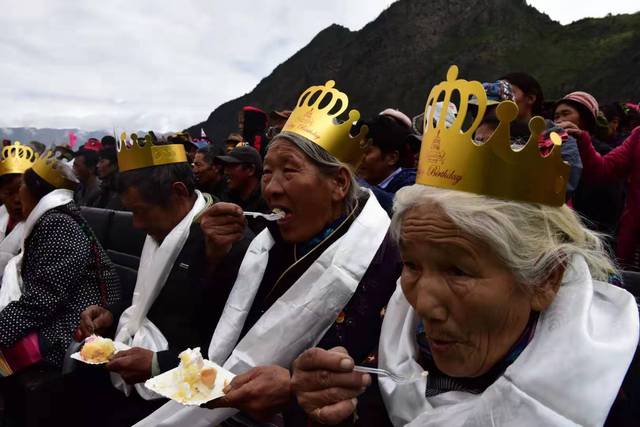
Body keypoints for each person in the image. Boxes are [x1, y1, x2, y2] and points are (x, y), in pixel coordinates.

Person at [291, 66, 639, 427]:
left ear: (545, 279)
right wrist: (337, 411)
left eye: (458, 270)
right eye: (411, 265)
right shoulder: (386, 357)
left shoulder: (621, 388)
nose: (422, 305)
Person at [137, 80, 401, 427]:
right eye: (267, 173)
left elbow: (396, 385)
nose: (272, 188)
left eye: (289, 171)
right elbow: (215, 337)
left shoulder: (387, 263)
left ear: (338, 183)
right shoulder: (263, 244)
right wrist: (215, 255)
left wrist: (294, 390)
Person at [73, 135, 252, 426]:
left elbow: (227, 347)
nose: (136, 224)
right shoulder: (161, 229)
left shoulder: (225, 241)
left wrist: (158, 365)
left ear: (178, 192)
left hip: (185, 397)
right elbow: (152, 300)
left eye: (140, 211)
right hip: (137, 371)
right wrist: (111, 313)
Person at [0, 150, 120, 372]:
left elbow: (43, 300)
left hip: (68, 329)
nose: (17, 197)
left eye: (21, 188)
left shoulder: (58, 224)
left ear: (35, 193)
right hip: (55, 318)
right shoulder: (50, 219)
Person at [555, 91, 625, 239]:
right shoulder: (552, 150)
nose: (559, 120)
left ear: (585, 119)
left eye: (566, 114)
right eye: (557, 116)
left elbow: (610, 202)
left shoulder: (604, 152)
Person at [500, 72, 583, 198]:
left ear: (530, 98)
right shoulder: (493, 133)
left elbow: (564, 184)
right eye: (499, 93)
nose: (502, 99)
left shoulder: (556, 137)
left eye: (509, 92)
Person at [356, 110, 417, 194]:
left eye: (366, 151)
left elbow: (393, 204)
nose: (357, 157)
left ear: (392, 158)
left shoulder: (411, 186)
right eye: (356, 150)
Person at [0, 142, 37, 272]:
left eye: (21, 191)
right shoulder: (2, 214)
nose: (16, 200)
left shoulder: (43, 226)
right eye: (8, 193)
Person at [216, 145, 269, 234]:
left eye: (231, 166)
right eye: (225, 166)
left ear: (250, 169)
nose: (225, 172)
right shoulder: (227, 197)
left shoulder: (268, 201)